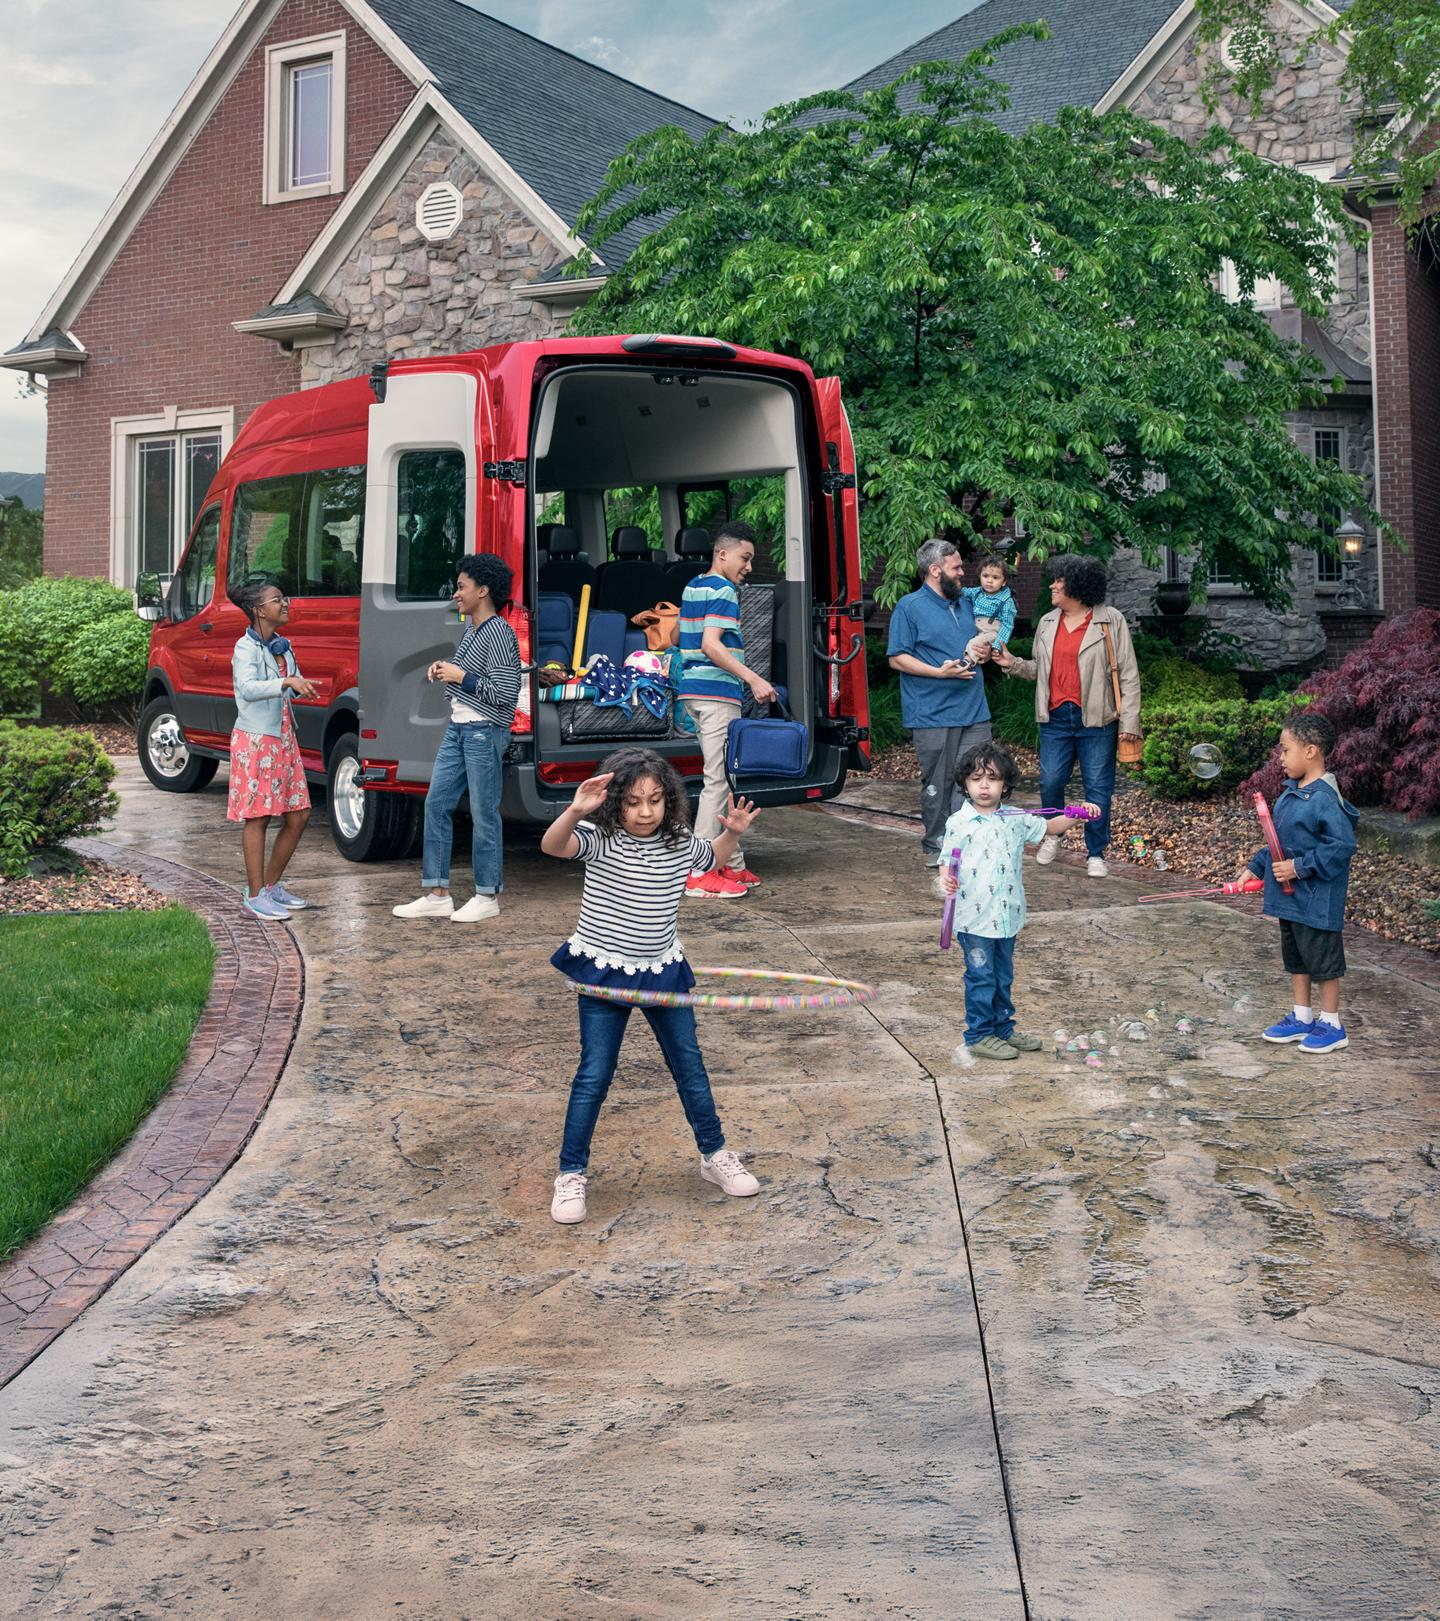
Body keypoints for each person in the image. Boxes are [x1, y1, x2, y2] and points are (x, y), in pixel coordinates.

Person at [541, 748, 763, 1224]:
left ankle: (714, 1155)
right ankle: (570, 1174)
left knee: (690, 1065)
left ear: (669, 802)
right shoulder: (601, 839)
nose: (646, 812)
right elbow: (553, 847)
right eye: (635, 802)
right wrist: (575, 811)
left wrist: (731, 834)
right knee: (595, 1073)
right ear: (615, 802)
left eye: (656, 801)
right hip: (605, 970)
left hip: (662, 969)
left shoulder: (678, 840)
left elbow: (709, 861)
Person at [393, 553, 522, 923]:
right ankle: (437, 893)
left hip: (484, 731)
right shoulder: (473, 630)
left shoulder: (498, 631)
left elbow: (505, 692)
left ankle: (487, 895)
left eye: (462, 586)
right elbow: (468, 675)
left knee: (484, 814)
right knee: (436, 804)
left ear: (483, 590)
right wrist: (446, 670)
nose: (456, 593)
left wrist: (458, 676)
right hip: (460, 727)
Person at [939, 741, 1088, 1060]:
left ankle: (1002, 1029)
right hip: (974, 920)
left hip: (1006, 917)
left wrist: (1074, 816)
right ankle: (978, 1034)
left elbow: (1049, 826)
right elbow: (945, 860)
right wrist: (945, 878)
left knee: (1003, 976)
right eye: (976, 778)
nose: (983, 785)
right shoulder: (959, 823)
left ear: (1004, 784)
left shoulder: (1016, 818)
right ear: (965, 783)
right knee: (981, 977)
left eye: (992, 778)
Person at [994, 554, 1140, 878]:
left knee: (1097, 788)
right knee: (1051, 781)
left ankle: (1096, 852)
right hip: (1055, 719)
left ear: (1077, 585)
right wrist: (1011, 663)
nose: (1052, 585)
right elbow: (1039, 670)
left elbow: (1128, 675)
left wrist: (1129, 722)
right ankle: (1053, 833)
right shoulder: (1047, 622)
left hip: (1096, 720)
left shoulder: (1109, 620)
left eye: (1059, 580)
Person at [1240, 713, 1358, 1054]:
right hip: (1291, 900)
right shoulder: (1291, 794)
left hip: (1317, 899)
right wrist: (1257, 867)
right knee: (1297, 958)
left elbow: (1341, 847)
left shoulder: (1324, 798)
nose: (1280, 758)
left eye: (1285, 749)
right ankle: (1302, 1016)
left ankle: (1332, 1024)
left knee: (1323, 962)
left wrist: (1300, 868)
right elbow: (1279, 842)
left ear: (1311, 751)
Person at [677, 519, 775, 898]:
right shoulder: (723, 590)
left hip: (695, 691)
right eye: (744, 558)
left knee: (727, 777)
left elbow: (680, 637)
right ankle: (698, 871)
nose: (748, 568)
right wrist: (754, 678)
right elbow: (711, 645)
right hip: (717, 693)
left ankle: (731, 864)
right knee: (717, 779)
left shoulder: (693, 586)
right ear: (722, 554)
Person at [886, 538, 993, 867]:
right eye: (956, 568)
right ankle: (936, 845)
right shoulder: (909, 607)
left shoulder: (965, 604)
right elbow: (897, 659)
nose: (963, 573)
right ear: (935, 571)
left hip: (974, 709)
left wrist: (983, 652)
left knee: (977, 778)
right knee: (939, 783)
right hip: (932, 713)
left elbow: (974, 647)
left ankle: (966, 845)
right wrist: (938, 672)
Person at [228, 580, 317, 921]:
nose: (285, 604)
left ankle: (270, 887)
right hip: (256, 742)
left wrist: (300, 685)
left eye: (284, 598)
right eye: (277, 600)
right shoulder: (244, 648)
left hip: (283, 741)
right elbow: (248, 689)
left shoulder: (281, 647)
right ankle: (254, 896)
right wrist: (286, 682)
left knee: (299, 815)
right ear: (258, 610)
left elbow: (292, 683)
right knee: (259, 817)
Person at [959, 555, 1018, 669]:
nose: (989, 581)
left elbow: (1007, 625)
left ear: (1004, 581)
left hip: (991, 631)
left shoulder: (1006, 601)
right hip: (976, 627)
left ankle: (966, 662)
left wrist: (997, 645)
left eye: (995, 577)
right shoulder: (977, 592)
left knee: (975, 643)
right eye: (985, 576)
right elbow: (963, 591)